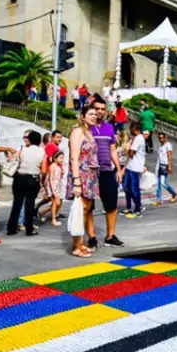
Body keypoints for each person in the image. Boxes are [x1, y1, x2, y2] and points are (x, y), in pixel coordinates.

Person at [88, 95, 125, 247]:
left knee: (111, 205)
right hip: (89, 172)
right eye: (97, 109)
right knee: (88, 206)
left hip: (106, 171)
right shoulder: (85, 128)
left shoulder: (109, 128)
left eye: (103, 109)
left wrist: (118, 169)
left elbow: (113, 149)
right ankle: (91, 237)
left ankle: (110, 236)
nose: (100, 112)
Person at [67, 104, 101, 257]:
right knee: (80, 211)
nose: (94, 116)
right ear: (83, 116)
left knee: (86, 210)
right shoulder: (77, 132)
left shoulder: (89, 133)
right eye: (91, 114)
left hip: (91, 176)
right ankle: (76, 247)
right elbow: (74, 158)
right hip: (81, 176)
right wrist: (76, 181)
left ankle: (80, 243)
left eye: (96, 114)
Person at [123, 121, 146, 218]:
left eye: (130, 129)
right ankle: (136, 205)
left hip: (135, 168)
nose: (130, 131)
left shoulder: (138, 139)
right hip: (130, 167)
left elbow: (131, 153)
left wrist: (128, 148)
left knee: (134, 189)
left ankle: (137, 209)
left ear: (134, 129)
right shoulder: (137, 138)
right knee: (126, 187)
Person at [155, 132, 177, 205]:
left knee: (163, 182)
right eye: (159, 138)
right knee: (158, 183)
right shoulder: (160, 147)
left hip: (165, 166)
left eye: (162, 137)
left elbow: (169, 156)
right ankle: (159, 199)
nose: (161, 139)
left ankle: (174, 193)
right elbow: (159, 158)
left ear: (165, 138)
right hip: (159, 166)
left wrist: (170, 166)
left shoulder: (168, 145)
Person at [47, 150, 66, 226]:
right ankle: (53, 219)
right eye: (61, 158)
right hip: (53, 186)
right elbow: (51, 178)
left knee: (57, 203)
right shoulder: (52, 166)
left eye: (63, 158)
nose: (62, 160)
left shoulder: (58, 166)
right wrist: (53, 190)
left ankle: (53, 216)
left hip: (58, 185)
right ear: (55, 158)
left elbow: (61, 175)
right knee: (56, 203)